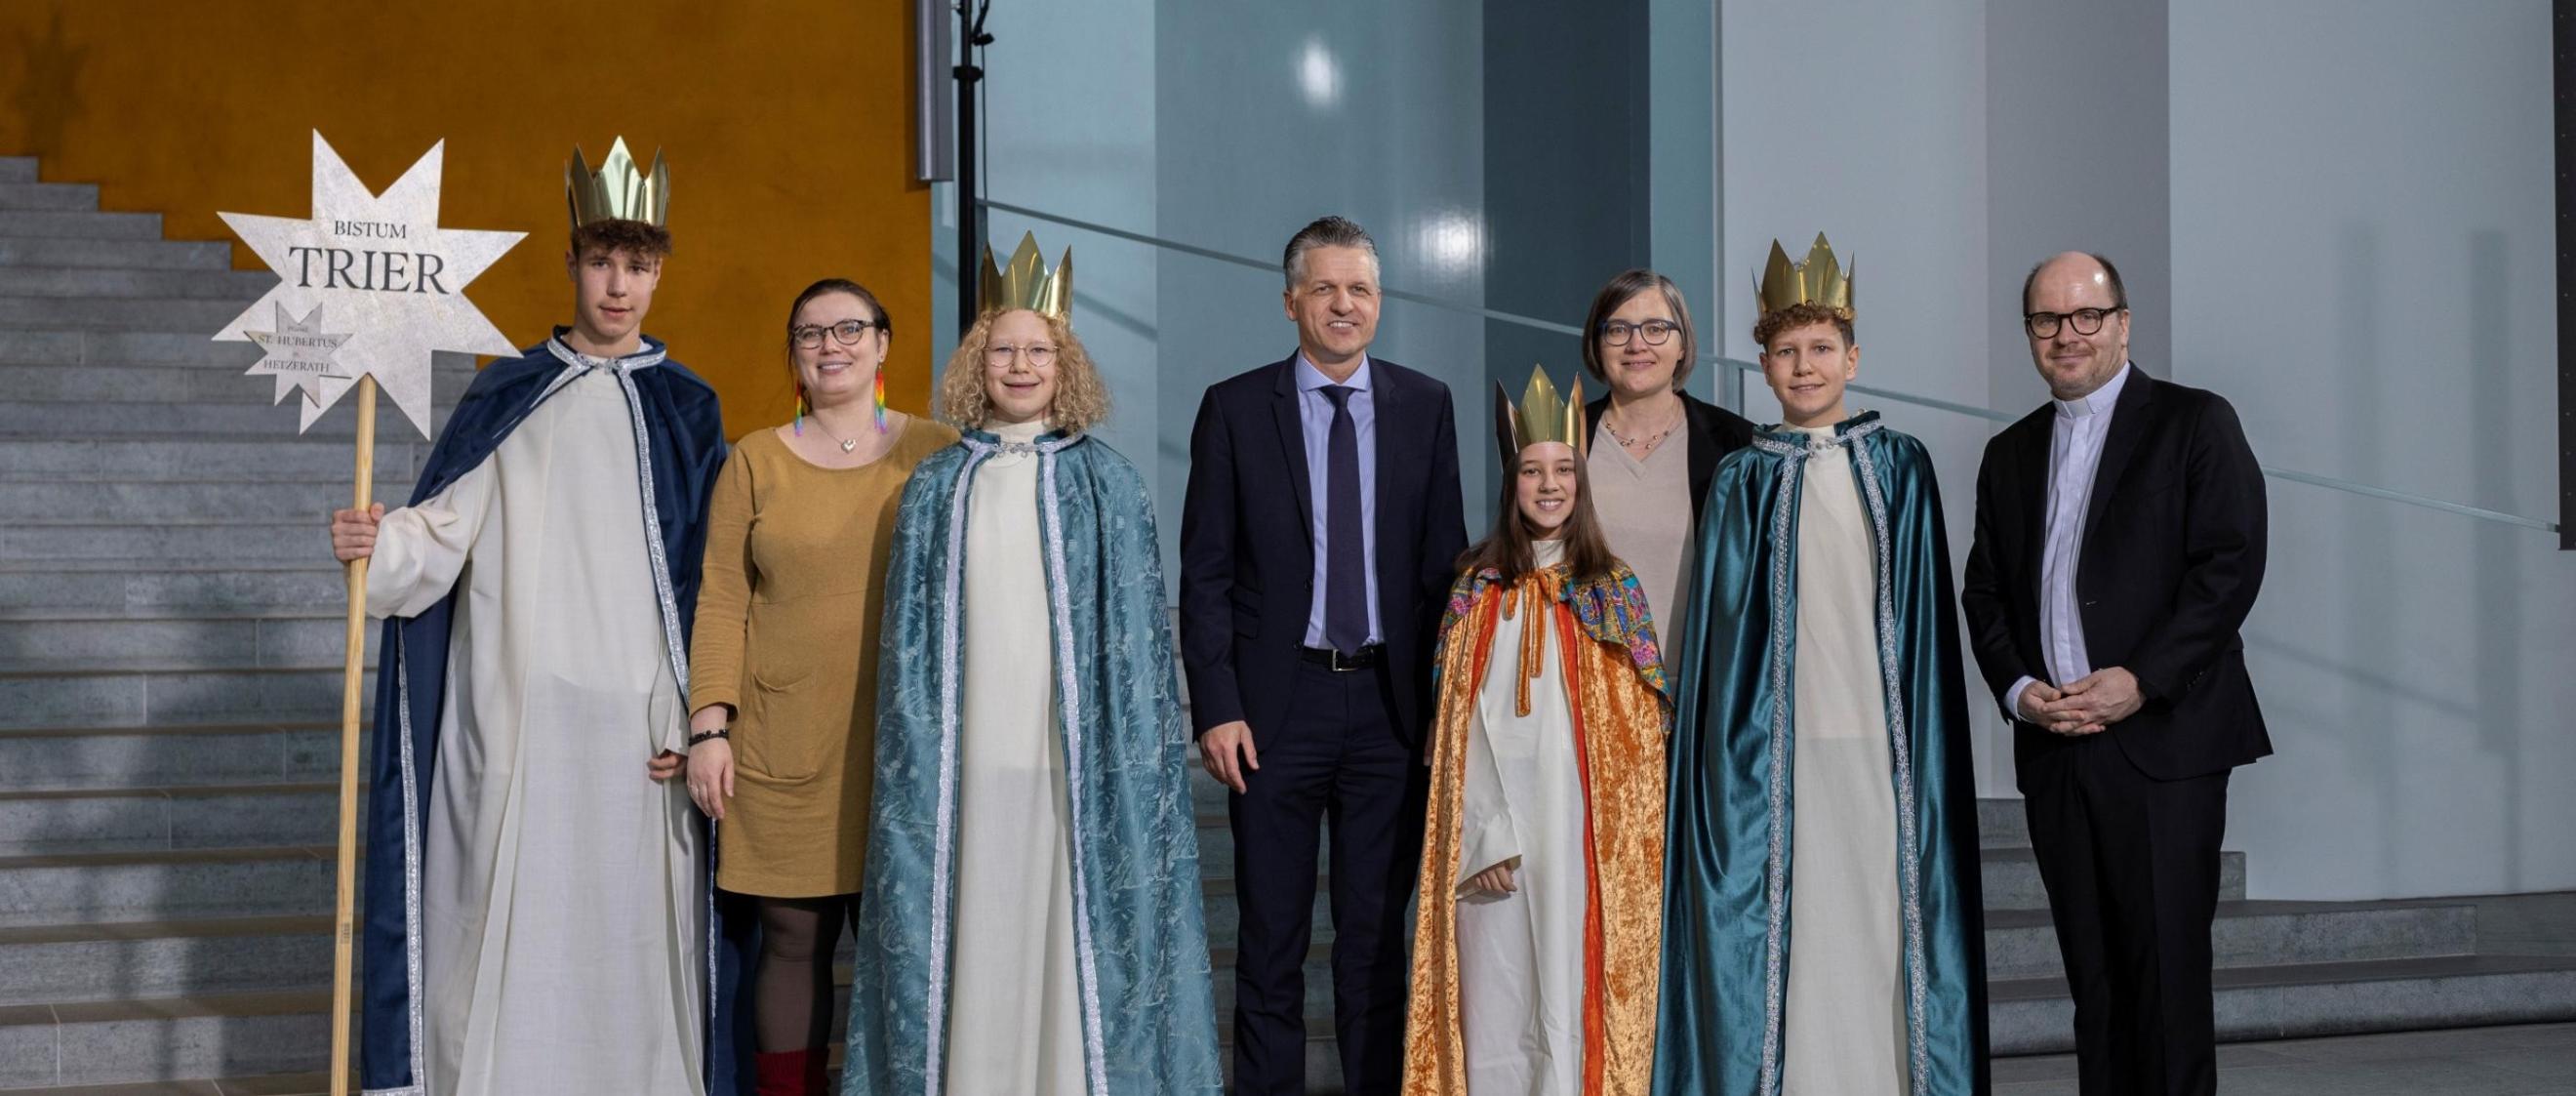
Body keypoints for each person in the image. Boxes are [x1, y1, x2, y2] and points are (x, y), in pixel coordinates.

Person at [335, 139, 742, 1095]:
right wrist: (376, 541)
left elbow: (718, 583)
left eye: (638, 266)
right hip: (514, 716)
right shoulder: (506, 393)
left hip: (637, 731)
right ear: (571, 263)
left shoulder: (688, 409)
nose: (618, 286)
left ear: (658, 274)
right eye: (602, 262)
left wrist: (707, 716)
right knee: (504, 918)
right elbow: (439, 535)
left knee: (630, 933)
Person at [840, 235, 1223, 1095]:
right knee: (981, 919)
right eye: (1003, 349)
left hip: (1071, 769)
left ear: (1066, 363)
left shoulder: (1110, 485)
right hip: (965, 767)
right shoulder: (937, 485)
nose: (1020, 365)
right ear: (979, 362)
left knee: (1065, 933)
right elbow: (907, 649)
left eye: (1037, 350)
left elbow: (1138, 658)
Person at [1655, 235, 1988, 1095]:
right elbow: (1721, 634)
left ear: (1854, 357)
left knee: (1879, 919)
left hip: (1879, 745)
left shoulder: (1901, 466)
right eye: (1786, 352)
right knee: (1799, 925)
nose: (1804, 367)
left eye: (1821, 350)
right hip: (1781, 752)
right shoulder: (1739, 480)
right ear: (1762, 363)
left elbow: (1921, 627)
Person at [1960, 251, 2270, 1096]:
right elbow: (1984, 592)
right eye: (2046, 320)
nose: (2067, 334)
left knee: (2166, 981)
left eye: (2085, 315)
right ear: (2029, 333)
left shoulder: (2194, 422)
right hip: (2059, 748)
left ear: (2123, 322)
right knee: (2093, 986)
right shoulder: (2010, 453)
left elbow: (2228, 567)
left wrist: (2142, 678)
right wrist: (2022, 692)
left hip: (2163, 742)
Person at [1180, 215, 1469, 1095]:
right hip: (1275, 710)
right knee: (1269, 942)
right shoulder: (1234, 407)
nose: (1344, 304)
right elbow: (1206, 575)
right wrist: (1217, 705)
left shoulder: (1426, 404)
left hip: (1390, 711)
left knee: (1377, 940)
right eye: (1326, 288)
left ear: (1379, 303)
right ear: (1290, 301)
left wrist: (1440, 710)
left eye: (1361, 289)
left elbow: (1443, 573)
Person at [682, 277, 956, 1095]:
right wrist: (708, 725)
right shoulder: (756, 459)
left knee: (903, 949)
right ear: (794, 353)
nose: (830, 346)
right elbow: (723, 596)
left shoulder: (937, 451)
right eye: (810, 333)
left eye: (848, 329)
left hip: (907, 749)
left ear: (883, 343)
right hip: (782, 743)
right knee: (792, 943)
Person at [1401, 367, 1670, 1096]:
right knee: (1496, 998)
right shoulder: (1476, 590)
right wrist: (1486, 833)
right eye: (1531, 470)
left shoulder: (1612, 589)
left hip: (1582, 838)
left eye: (1562, 471)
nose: (1548, 485)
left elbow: (1641, 737)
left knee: (1571, 994)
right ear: (1510, 480)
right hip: (1492, 842)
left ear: (1581, 483)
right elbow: (1456, 731)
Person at [1579, 268, 1756, 639]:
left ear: (1682, 345)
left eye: (1656, 328)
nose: (1636, 345)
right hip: (1584, 684)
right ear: (1597, 345)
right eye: (1617, 329)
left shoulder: (1735, 442)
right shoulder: (1561, 436)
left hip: (1695, 686)